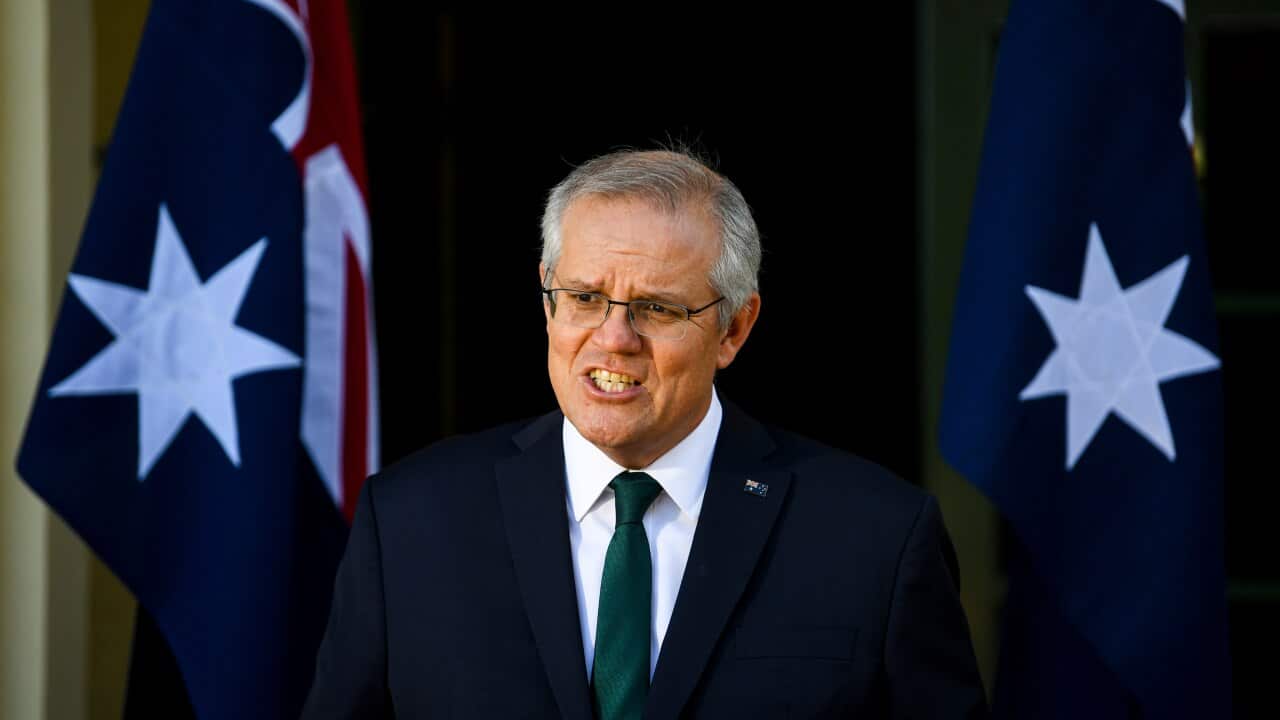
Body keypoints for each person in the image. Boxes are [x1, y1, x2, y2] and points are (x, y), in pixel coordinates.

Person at [302, 148, 988, 719]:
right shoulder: (410, 521)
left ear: (735, 328)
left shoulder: (875, 538)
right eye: (585, 298)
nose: (613, 338)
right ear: (548, 299)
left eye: (656, 308)